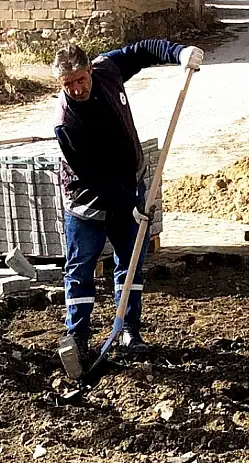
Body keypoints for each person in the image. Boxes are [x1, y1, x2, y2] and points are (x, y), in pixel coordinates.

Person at [52, 40, 204, 357]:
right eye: (69, 84)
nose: (76, 88)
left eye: (80, 79)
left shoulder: (107, 70)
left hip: (127, 188)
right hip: (87, 199)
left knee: (131, 264)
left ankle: (128, 332)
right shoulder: (67, 122)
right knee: (80, 268)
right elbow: (93, 176)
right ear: (60, 83)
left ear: (90, 69)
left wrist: (178, 54)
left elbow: (141, 50)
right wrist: (131, 205)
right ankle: (77, 338)